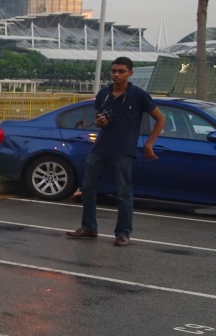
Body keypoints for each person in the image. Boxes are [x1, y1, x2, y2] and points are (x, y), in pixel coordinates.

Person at [66, 56, 165, 246]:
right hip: (101, 148)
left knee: (123, 192)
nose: (116, 75)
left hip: (123, 150)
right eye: (113, 71)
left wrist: (149, 143)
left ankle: (122, 233)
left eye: (121, 71)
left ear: (130, 73)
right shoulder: (104, 94)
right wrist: (100, 122)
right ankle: (89, 227)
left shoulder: (138, 95)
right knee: (87, 188)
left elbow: (160, 119)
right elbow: (98, 118)